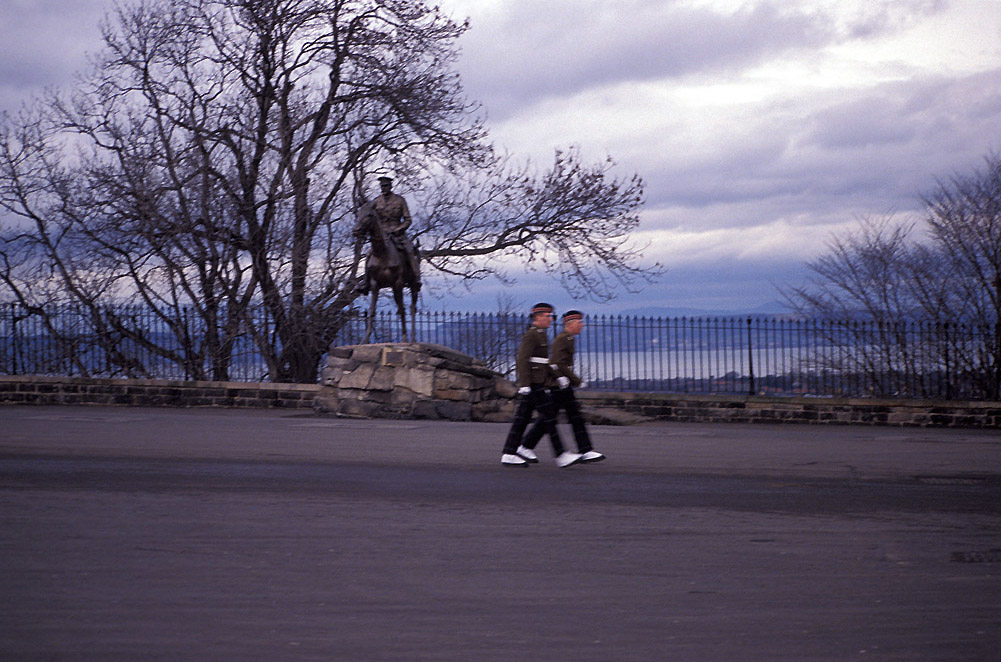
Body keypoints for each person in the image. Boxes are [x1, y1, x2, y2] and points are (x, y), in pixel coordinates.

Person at [501, 303, 582, 468]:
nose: (551, 319)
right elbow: (522, 359)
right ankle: (560, 455)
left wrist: (558, 377)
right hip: (533, 384)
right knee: (549, 418)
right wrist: (524, 384)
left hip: (537, 382)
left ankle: (510, 453)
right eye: (548, 316)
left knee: (522, 419)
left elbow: (544, 362)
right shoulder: (531, 335)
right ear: (538, 317)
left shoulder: (541, 335)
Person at [540, 310, 605, 462]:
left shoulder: (569, 338)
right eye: (579, 322)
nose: (582, 325)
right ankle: (525, 445)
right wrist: (574, 380)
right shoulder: (562, 339)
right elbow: (556, 363)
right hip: (558, 385)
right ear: (571, 324)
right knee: (556, 417)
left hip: (563, 383)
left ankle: (585, 449)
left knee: (570, 416)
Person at [372, 176, 420, 284]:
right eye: (381, 186)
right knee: (370, 254)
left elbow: (408, 220)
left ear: (390, 186)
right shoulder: (376, 202)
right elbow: (373, 219)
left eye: (385, 186)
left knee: (410, 250)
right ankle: (365, 282)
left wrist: (399, 229)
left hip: (397, 233)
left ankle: (416, 277)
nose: (383, 188)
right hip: (382, 234)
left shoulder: (400, 200)